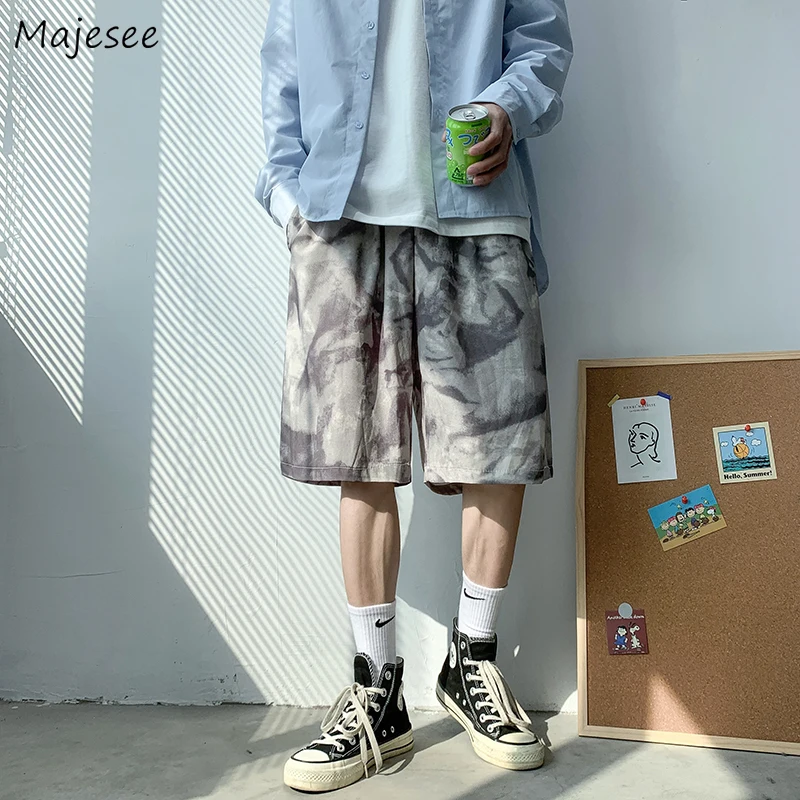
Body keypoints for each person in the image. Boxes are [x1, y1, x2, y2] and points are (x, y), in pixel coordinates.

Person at [255, 0, 572, 792]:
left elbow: (542, 41)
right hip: (339, 220)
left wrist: (506, 106)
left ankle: (473, 661)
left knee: (497, 446)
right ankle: (377, 689)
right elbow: (282, 81)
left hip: (478, 210)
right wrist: (290, 203)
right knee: (355, 457)